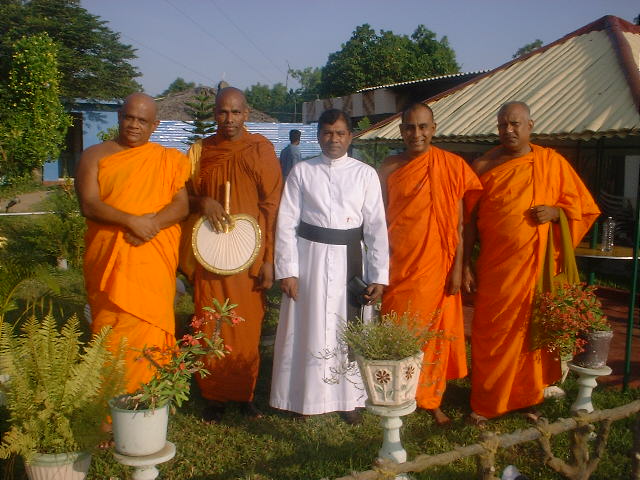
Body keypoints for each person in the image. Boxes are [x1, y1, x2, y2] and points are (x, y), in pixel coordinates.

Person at [462, 101, 600, 423]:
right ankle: (487, 401)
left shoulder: (550, 162)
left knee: (529, 333)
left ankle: (527, 397)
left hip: (535, 267)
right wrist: (465, 262)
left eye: (515, 124)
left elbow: (584, 208)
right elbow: (467, 221)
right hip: (496, 267)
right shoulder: (483, 165)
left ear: (530, 125)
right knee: (490, 332)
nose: (508, 131)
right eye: (502, 125)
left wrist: (557, 213)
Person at [270, 109, 389, 424]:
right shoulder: (302, 172)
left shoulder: (365, 174)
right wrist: (287, 271)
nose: (333, 139)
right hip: (309, 257)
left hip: (351, 260)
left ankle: (349, 399)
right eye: (326, 132)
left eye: (339, 133)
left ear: (350, 136)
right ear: (318, 135)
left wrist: (378, 276)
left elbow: (376, 227)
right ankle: (302, 398)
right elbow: (285, 223)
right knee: (306, 327)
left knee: (347, 330)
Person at [76, 92, 190, 394]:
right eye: (129, 117)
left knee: (150, 333)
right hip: (109, 264)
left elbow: (181, 207)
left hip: (150, 264)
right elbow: (88, 204)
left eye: (142, 120)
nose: (134, 125)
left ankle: (151, 403)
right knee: (112, 336)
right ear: (119, 116)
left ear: (155, 125)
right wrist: (131, 220)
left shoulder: (166, 160)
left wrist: (149, 224)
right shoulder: (95, 155)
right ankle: (108, 412)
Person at [379, 103, 482, 426]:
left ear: (434, 128)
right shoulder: (388, 168)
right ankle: (396, 392)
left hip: (438, 266)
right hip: (398, 266)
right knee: (400, 331)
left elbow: (459, 226)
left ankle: (431, 399)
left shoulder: (451, 166)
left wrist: (458, 267)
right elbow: (376, 221)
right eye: (410, 128)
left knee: (434, 336)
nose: (416, 134)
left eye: (423, 127)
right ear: (401, 131)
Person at [186, 87, 282, 421]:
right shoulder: (200, 151)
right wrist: (203, 202)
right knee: (210, 323)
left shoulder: (259, 150)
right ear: (215, 114)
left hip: (248, 257)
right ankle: (213, 396)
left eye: (236, 112)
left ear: (247, 114)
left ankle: (245, 395)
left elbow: (272, 208)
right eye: (223, 113)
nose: (229, 119)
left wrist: (269, 259)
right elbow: (184, 200)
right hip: (211, 255)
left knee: (245, 328)